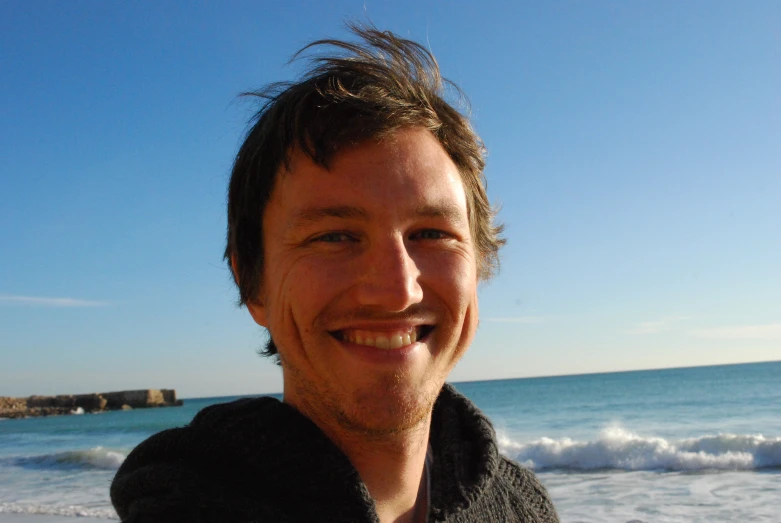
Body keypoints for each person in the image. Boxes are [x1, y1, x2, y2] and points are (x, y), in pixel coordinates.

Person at [110, 24, 559, 523]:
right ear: (252, 282)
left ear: (479, 265)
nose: (395, 290)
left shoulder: (524, 510)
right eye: (334, 237)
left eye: (430, 233)